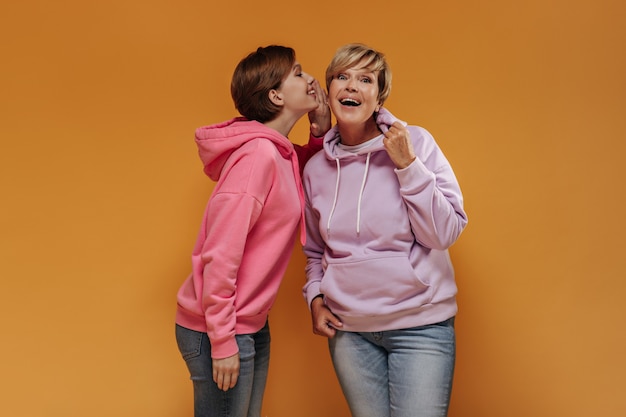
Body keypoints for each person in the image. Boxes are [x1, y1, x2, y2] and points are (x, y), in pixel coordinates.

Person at [302, 43, 468, 417]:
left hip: (420, 327)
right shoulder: (315, 170)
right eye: (342, 77)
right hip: (350, 331)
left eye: (365, 79)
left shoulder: (415, 143)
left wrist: (408, 166)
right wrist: (315, 297)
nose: (352, 87)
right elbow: (314, 250)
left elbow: (444, 234)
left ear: (380, 97)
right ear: (329, 92)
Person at [175, 45, 330, 417]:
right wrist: (223, 340)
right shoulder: (257, 156)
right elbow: (221, 254)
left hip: (248, 322)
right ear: (275, 95)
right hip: (220, 328)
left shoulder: (277, 153)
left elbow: (297, 178)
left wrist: (320, 132)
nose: (310, 79)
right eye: (297, 72)